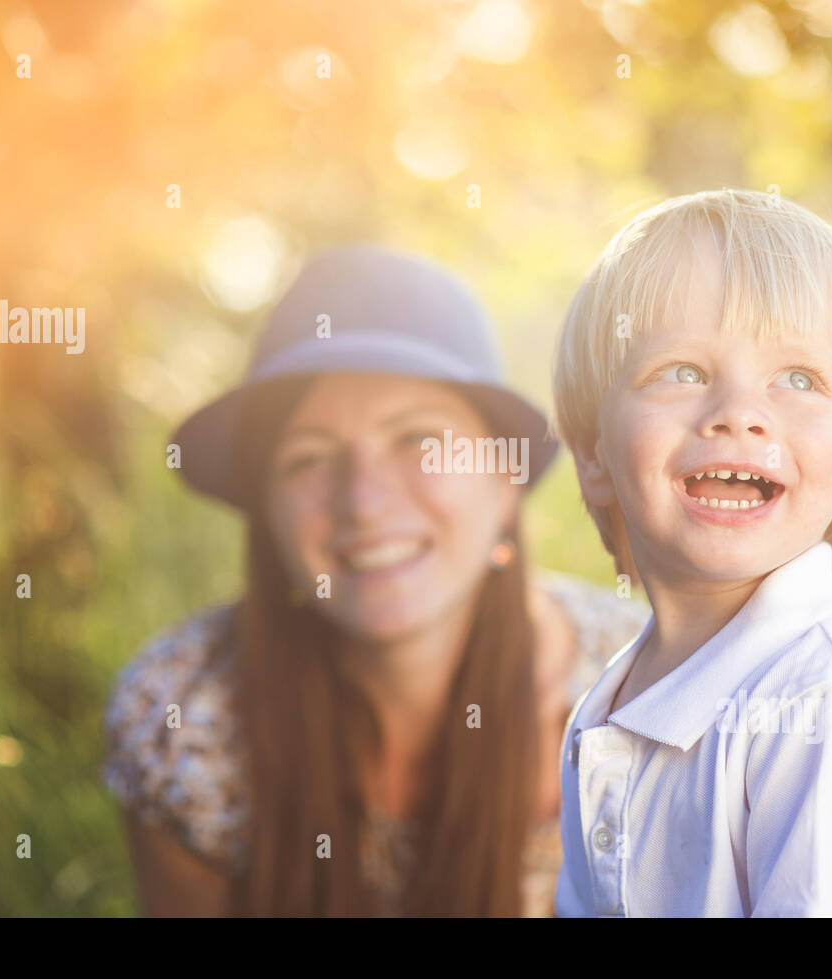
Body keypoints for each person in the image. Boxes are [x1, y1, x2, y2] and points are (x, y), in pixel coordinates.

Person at [101, 243, 650, 916]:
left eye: (417, 439)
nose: (362, 500)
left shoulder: (651, 695)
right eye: (308, 458)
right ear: (266, 507)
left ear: (505, 481)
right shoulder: (181, 719)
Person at [549, 189, 832, 916]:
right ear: (594, 453)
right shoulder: (611, 702)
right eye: (683, 370)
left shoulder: (824, 709)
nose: (739, 414)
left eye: (799, 379)